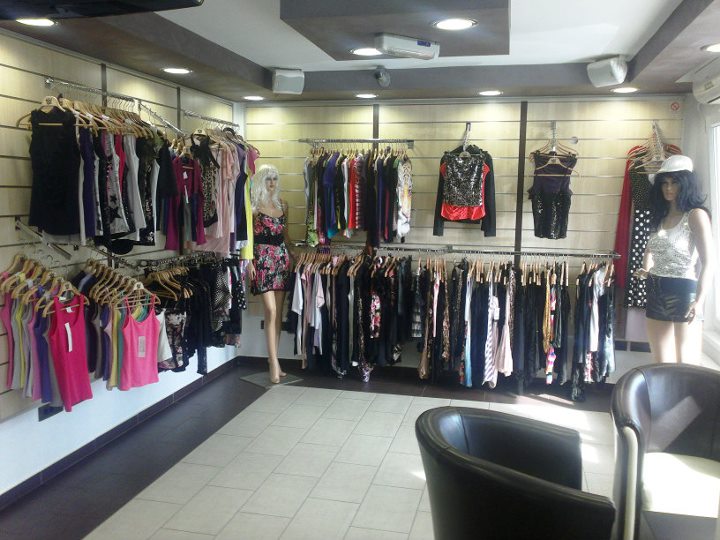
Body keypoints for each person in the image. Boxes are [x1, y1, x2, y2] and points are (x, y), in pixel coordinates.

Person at [634, 155, 714, 364]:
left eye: (675, 182)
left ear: (686, 184)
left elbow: (709, 262)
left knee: (685, 365)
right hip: (655, 288)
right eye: (664, 183)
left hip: (683, 292)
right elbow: (649, 249)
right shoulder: (660, 217)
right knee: (660, 363)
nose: (668, 188)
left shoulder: (695, 216)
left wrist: (699, 301)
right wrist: (646, 269)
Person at [248, 164, 293, 383]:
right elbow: (247, 238)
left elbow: (285, 234)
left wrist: (293, 255)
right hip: (262, 260)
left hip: (281, 260)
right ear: (260, 181)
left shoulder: (283, 204)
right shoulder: (254, 208)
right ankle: (273, 362)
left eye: (275, 178)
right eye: (268, 179)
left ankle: (274, 359)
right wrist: (248, 262)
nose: (272, 183)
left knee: (278, 314)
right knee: (271, 311)